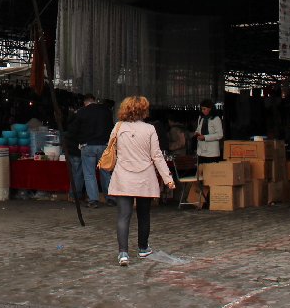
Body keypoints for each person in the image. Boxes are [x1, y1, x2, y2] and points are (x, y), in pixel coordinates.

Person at [108, 96, 176, 266]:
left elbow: (110, 149)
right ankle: (143, 248)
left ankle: (123, 253)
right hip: (145, 178)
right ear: (143, 110)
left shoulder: (118, 127)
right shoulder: (150, 129)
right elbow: (157, 156)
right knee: (144, 215)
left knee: (123, 216)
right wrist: (168, 178)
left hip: (123, 177)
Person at [67, 94, 114, 208]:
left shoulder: (82, 112)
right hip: (103, 145)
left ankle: (93, 200)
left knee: (89, 174)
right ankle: (110, 198)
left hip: (87, 146)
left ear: (85, 102)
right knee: (105, 172)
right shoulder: (106, 111)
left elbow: (73, 130)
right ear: (94, 101)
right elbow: (112, 128)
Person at [192, 99, 224, 209]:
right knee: (201, 177)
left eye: (205, 109)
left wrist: (206, 137)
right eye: (202, 109)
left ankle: (211, 200)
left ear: (210, 108)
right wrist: (196, 133)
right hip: (201, 151)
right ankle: (201, 200)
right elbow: (198, 129)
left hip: (212, 152)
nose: (203, 111)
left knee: (211, 177)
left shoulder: (216, 119)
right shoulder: (200, 118)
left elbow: (219, 135)